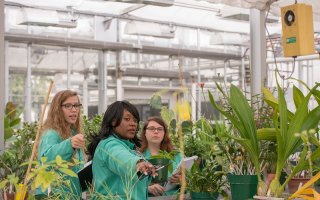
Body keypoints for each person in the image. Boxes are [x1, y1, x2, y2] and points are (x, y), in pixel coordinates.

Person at [87, 100, 157, 200]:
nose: (133, 124)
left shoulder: (128, 147)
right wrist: (137, 163)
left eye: (135, 120)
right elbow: (121, 158)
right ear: (113, 121)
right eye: (127, 119)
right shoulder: (108, 145)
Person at [36, 90, 85, 199]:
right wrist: (69, 144)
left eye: (76, 105)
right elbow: (46, 160)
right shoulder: (51, 134)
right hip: (54, 195)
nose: (74, 110)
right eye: (68, 106)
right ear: (57, 109)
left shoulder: (72, 133)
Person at [140, 116, 182, 196]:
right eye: (152, 128)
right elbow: (129, 184)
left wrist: (182, 181)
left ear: (164, 133)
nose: (156, 131)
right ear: (145, 132)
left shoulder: (176, 155)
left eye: (160, 129)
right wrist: (147, 188)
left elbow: (192, 181)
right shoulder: (137, 157)